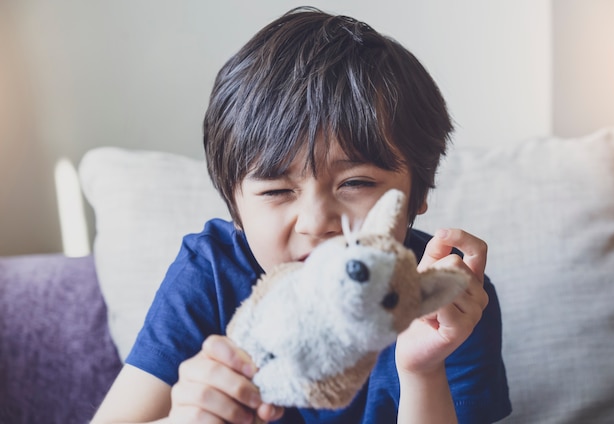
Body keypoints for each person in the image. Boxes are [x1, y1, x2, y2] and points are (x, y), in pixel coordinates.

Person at [92, 6, 511, 424]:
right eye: (276, 190)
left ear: (419, 190)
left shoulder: (441, 295)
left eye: (356, 183)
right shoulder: (209, 274)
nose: (316, 222)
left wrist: (422, 370)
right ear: (235, 208)